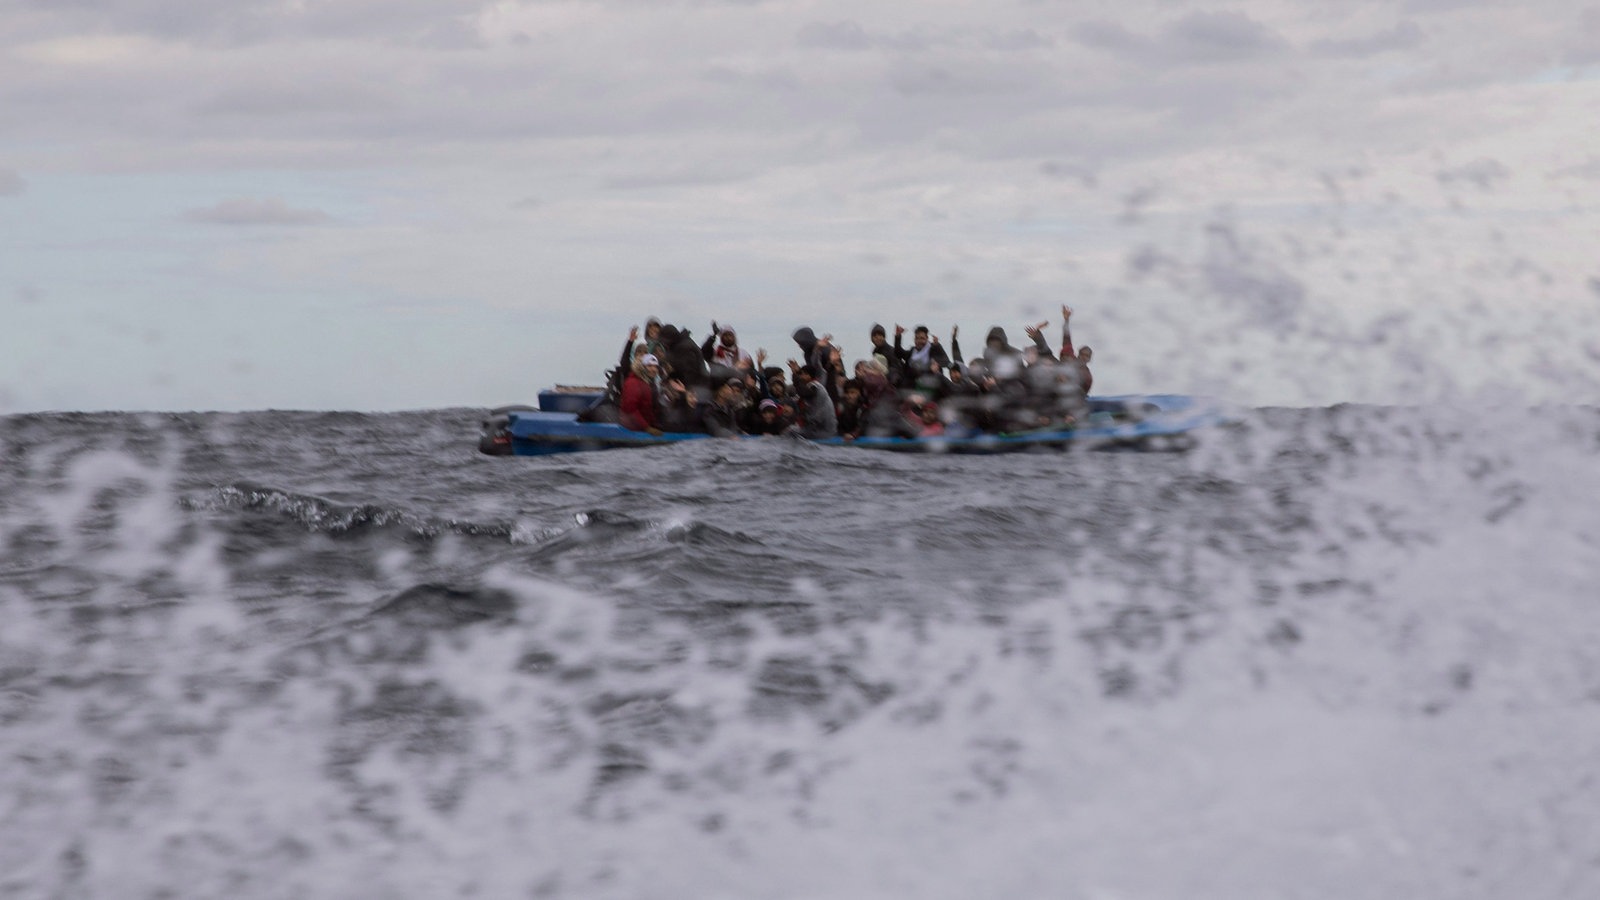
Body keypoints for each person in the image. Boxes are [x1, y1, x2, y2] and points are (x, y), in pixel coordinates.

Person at [790, 365, 837, 440]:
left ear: (810, 376)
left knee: (791, 432)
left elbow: (803, 393)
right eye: (800, 374)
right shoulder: (811, 386)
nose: (801, 376)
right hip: (817, 427)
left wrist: (795, 377)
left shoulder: (815, 387)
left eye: (804, 374)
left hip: (824, 431)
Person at [619, 354, 663, 434]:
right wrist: (647, 428)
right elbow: (630, 410)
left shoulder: (650, 384)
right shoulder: (633, 383)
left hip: (644, 427)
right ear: (642, 367)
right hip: (633, 429)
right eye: (649, 366)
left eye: (655, 366)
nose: (653, 369)